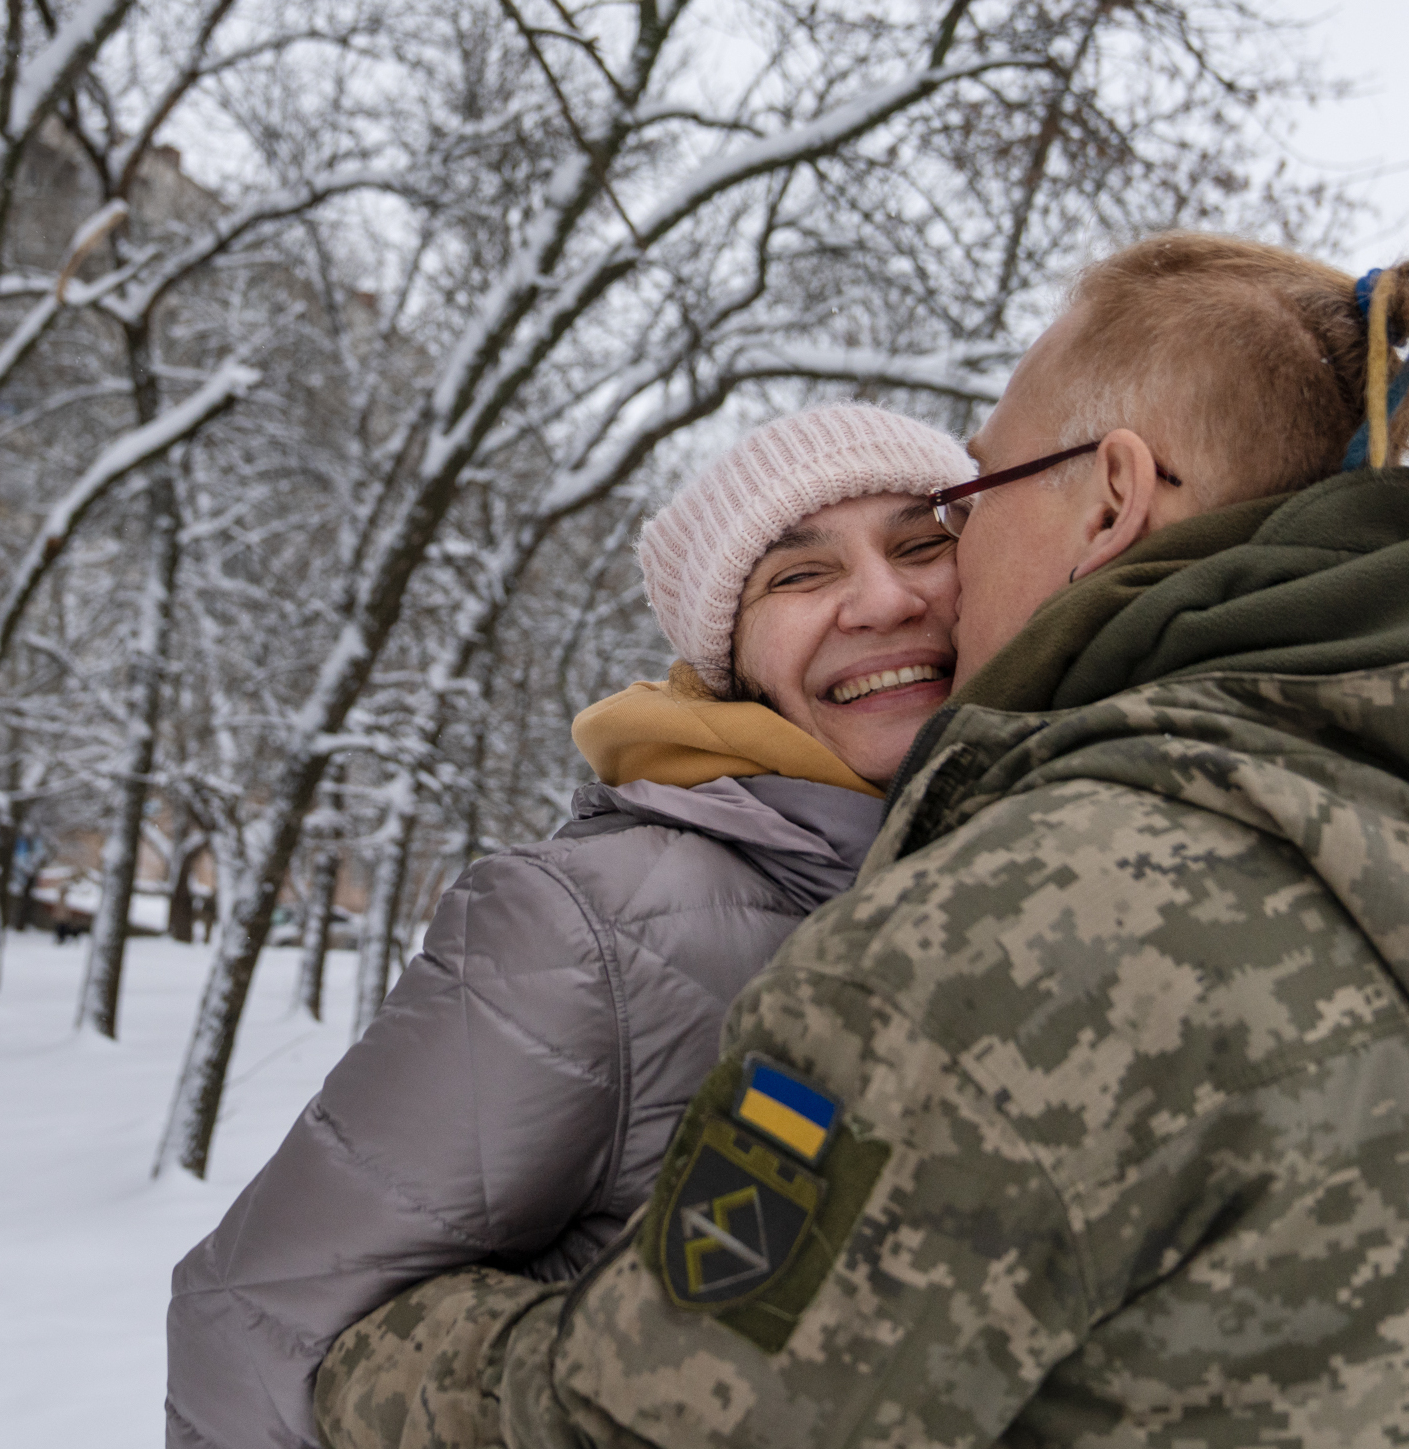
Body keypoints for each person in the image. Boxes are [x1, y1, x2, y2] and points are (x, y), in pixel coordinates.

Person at [313, 234, 1409, 1449]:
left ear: (1110, 496)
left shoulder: (1019, 919)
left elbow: (652, 1423)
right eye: (801, 574)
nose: (912, 590)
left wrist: (387, 1352)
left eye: (963, 503)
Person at [164, 403, 973, 1449]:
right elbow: (260, 1320)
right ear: (731, 659)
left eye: (922, 544)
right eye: (798, 575)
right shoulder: (584, 925)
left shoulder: (1049, 876)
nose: (884, 596)